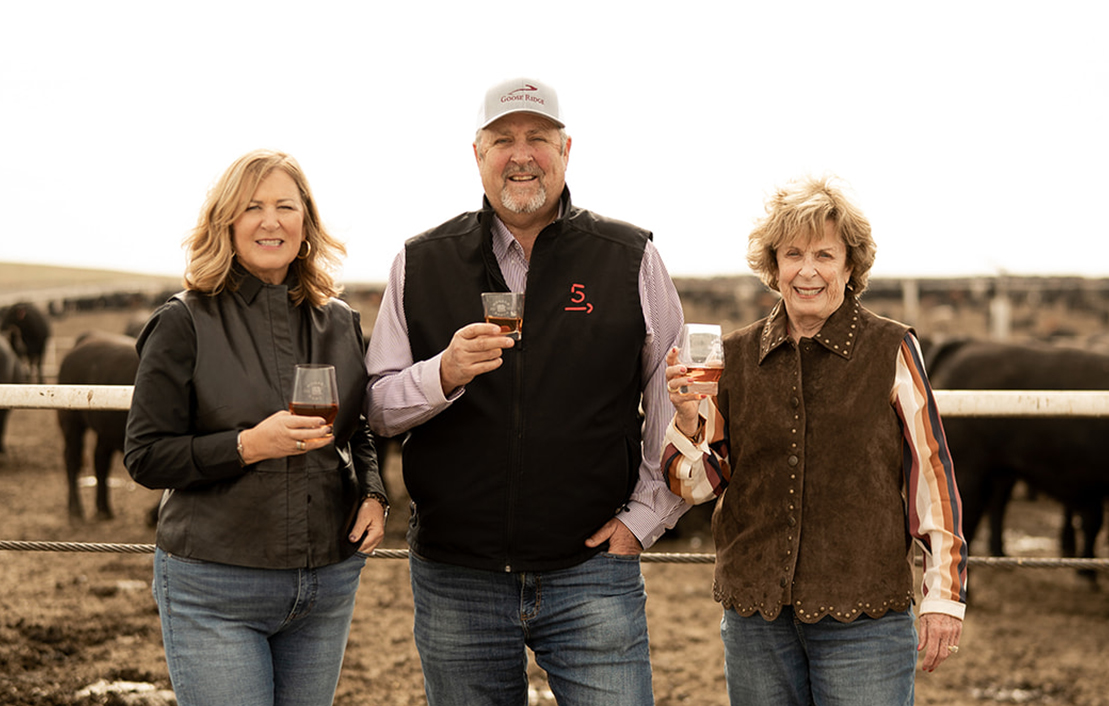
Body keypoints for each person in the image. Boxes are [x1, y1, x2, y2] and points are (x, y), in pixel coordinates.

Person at [365, 77, 686, 705]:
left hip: (591, 570)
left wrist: (645, 518)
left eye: (537, 138)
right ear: (477, 154)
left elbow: (671, 394)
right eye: (502, 139)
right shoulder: (421, 260)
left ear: (566, 149)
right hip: (456, 577)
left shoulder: (629, 256)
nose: (521, 154)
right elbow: (376, 406)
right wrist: (445, 372)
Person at [662, 174, 967, 705]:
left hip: (865, 618)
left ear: (850, 267)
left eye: (824, 255)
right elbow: (697, 486)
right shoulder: (733, 355)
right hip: (756, 617)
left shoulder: (891, 347)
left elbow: (932, 476)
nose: (807, 271)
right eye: (792, 254)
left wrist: (943, 595)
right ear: (773, 267)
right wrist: (687, 420)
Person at [124, 149, 388, 706]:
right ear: (227, 222)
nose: (271, 221)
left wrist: (372, 492)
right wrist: (248, 446)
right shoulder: (183, 321)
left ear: (306, 221)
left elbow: (357, 427)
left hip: (327, 584)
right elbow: (146, 456)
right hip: (216, 585)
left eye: (285, 206)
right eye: (252, 207)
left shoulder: (339, 320)